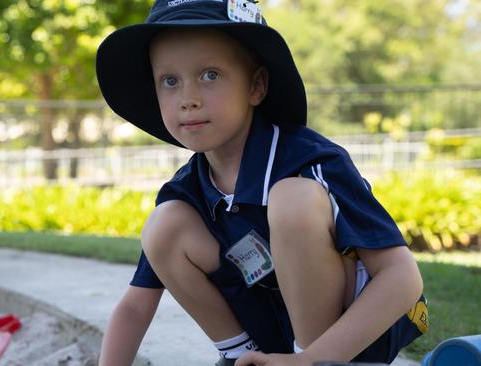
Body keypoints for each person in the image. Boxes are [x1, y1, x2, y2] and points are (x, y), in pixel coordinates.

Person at [95, 1, 429, 365]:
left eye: (210, 75)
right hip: (273, 334)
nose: (188, 99)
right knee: (164, 225)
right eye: (170, 81)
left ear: (256, 86)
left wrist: (309, 360)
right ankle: (240, 356)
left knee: (292, 200)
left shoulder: (309, 160)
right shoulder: (187, 191)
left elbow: (402, 278)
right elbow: (135, 306)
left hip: (352, 338)